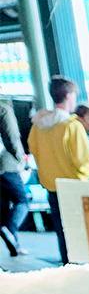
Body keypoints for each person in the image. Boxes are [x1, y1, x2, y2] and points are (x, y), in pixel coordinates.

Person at [27, 76, 89, 264]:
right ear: (69, 95)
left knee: (64, 234)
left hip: (52, 188)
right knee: (84, 236)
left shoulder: (38, 126)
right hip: (76, 188)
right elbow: (82, 161)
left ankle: (69, 270)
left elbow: (33, 150)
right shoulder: (72, 126)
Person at [0, 98, 29, 257]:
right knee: (21, 201)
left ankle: (14, 246)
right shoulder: (3, 109)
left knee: (3, 206)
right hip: (6, 164)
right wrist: (21, 158)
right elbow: (12, 137)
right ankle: (10, 229)